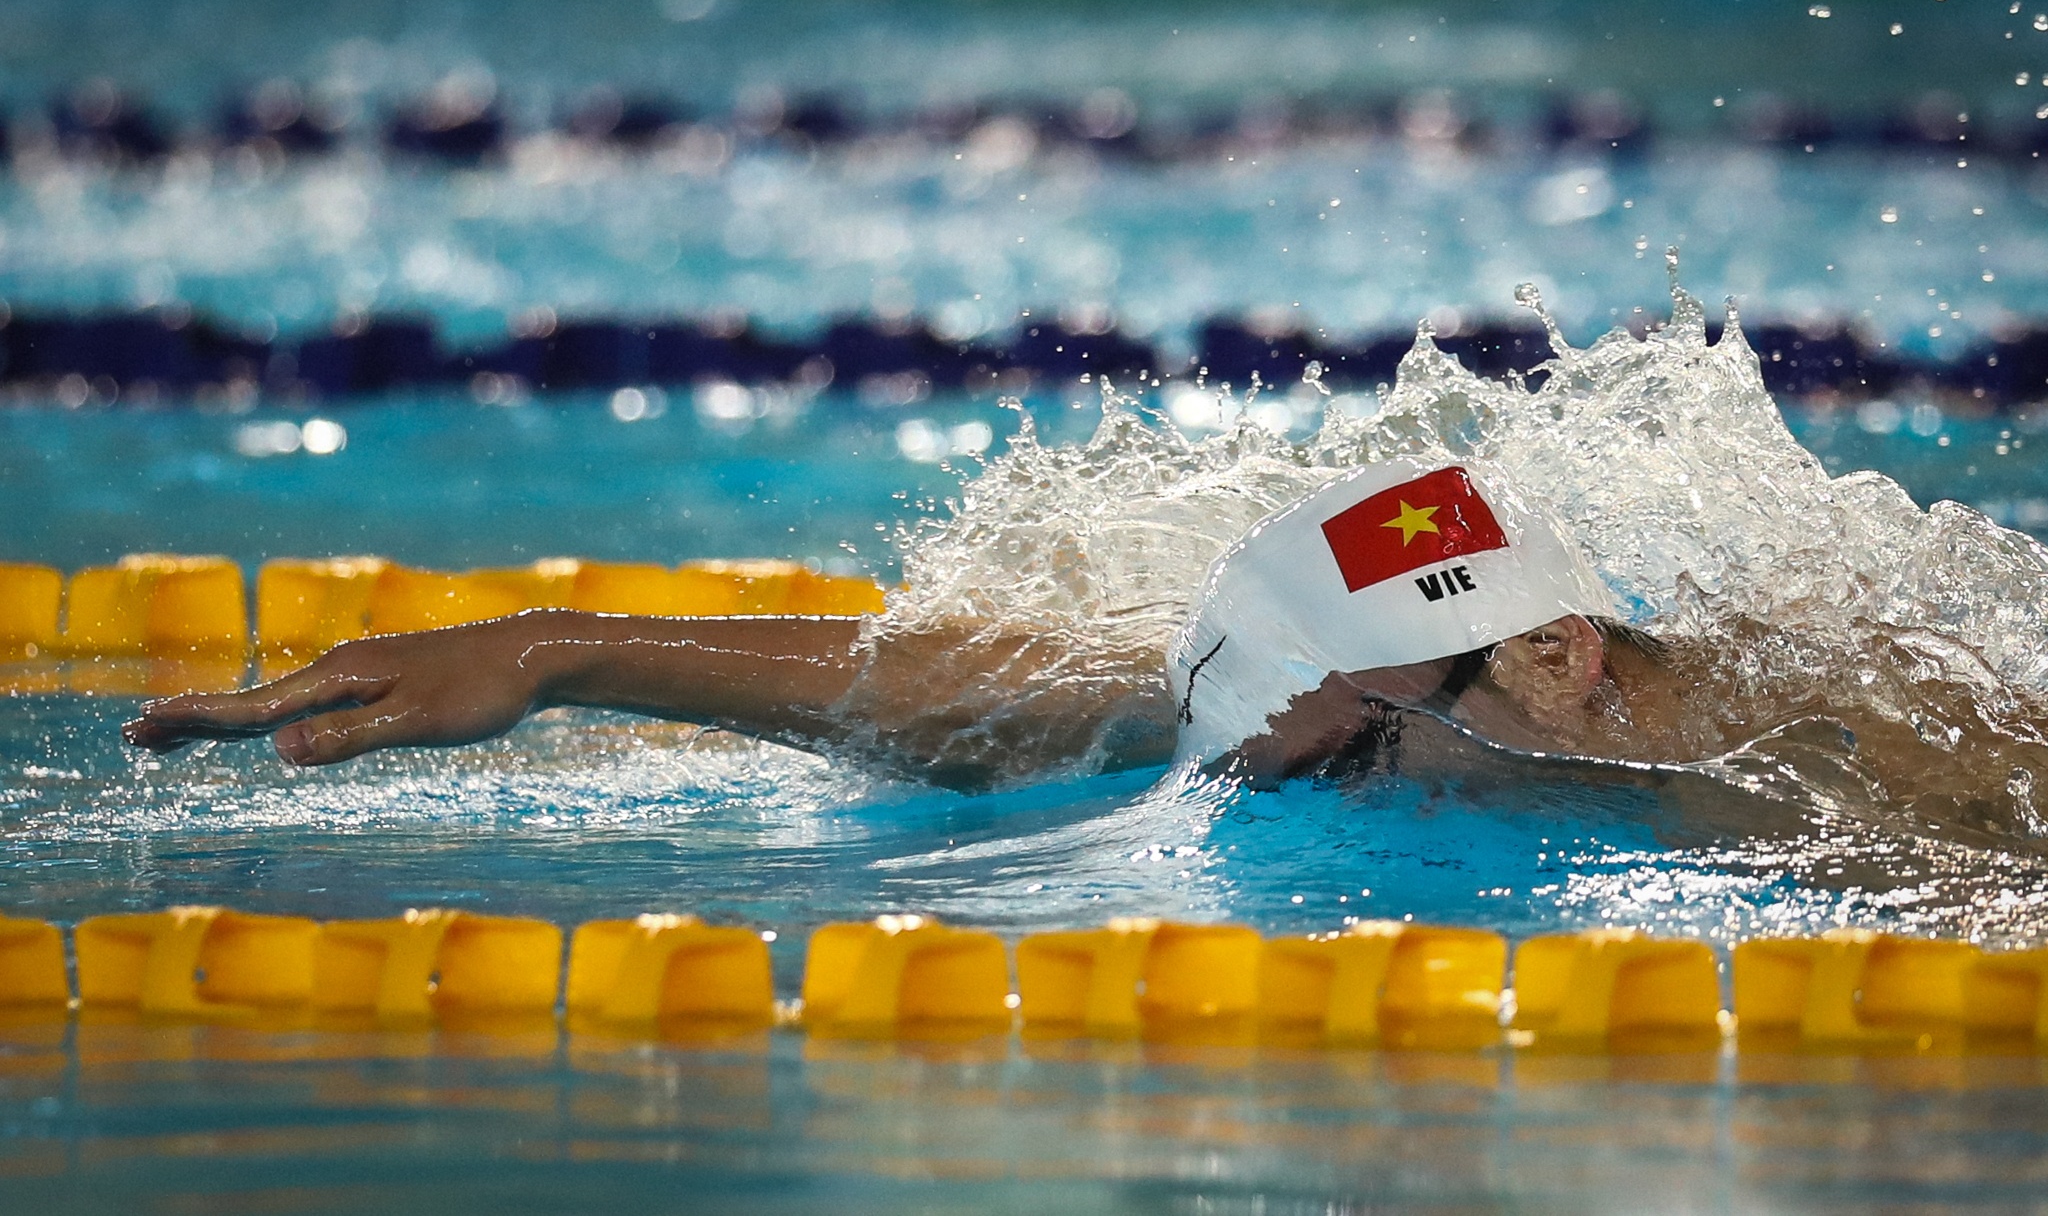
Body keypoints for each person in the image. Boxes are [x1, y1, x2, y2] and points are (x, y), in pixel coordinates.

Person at [125, 460, 1721, 789]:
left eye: (1354, 735)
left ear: (1559, 657)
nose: (1263, 763)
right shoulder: (1330, 688)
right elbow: (985, 693)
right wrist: (554, 650)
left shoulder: (1844, 761)